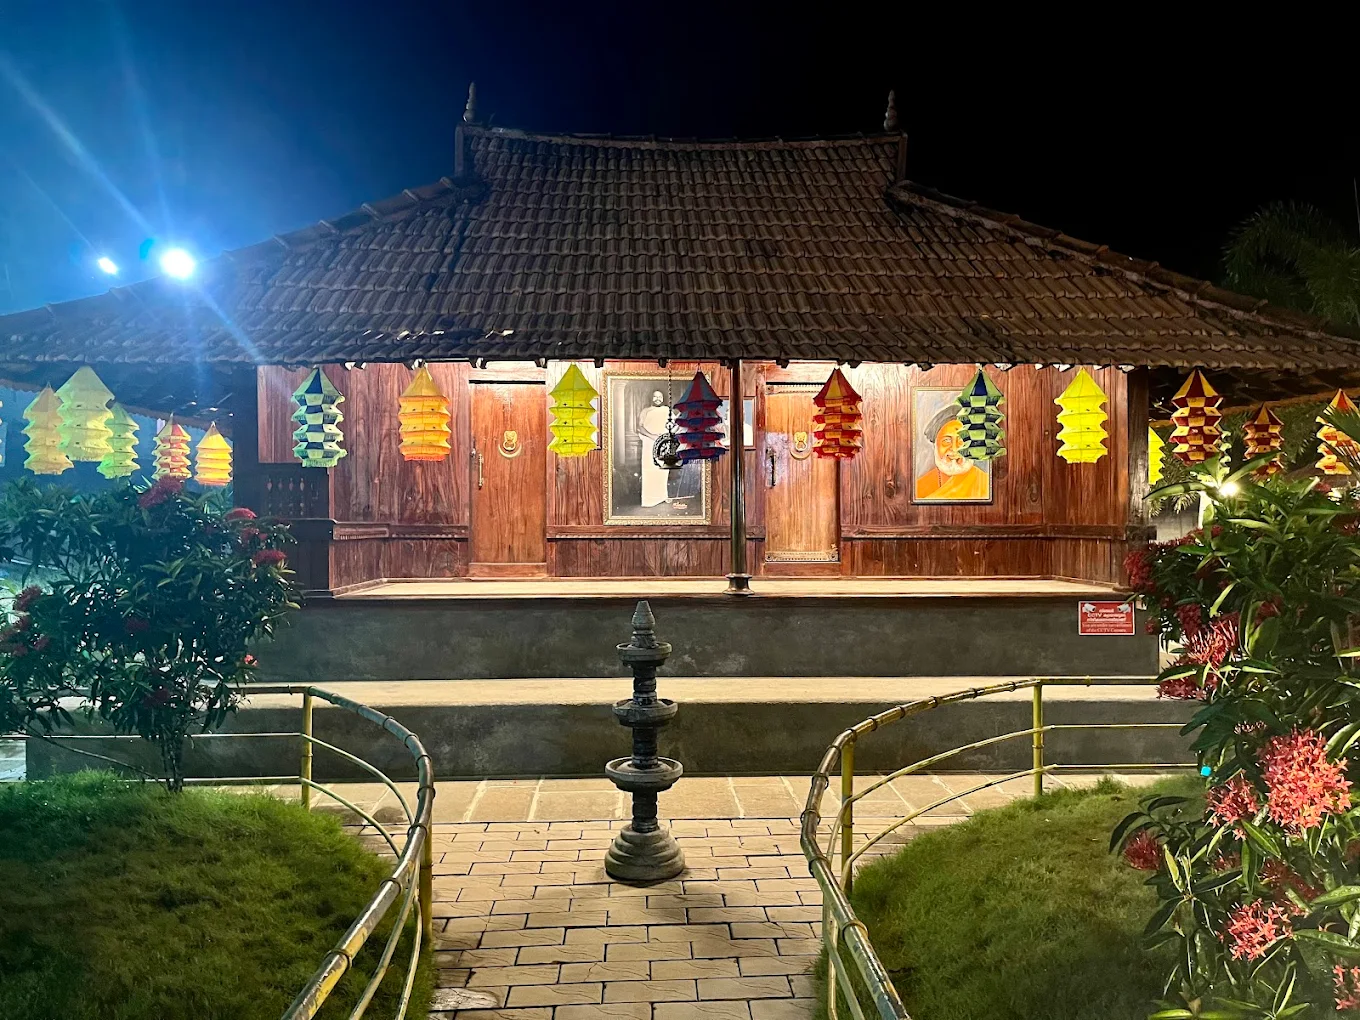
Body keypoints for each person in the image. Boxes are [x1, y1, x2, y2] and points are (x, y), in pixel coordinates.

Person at [915, 403, 989, 501]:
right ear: (935, 445)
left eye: (962, 440)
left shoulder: (985, 484)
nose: (954, 448)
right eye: (946, 441)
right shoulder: (919, 487)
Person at [637, 390, 672, 508]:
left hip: (663, 444)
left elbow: (675, 425)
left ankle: (662, 496)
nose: (658, 399)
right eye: (655, 396)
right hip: (649, 444)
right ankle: (649, 499)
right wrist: (652, 436)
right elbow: (640, 428)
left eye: (660, 397)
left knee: (662, 470)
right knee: (649, 470)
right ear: (651, 398)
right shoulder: (645, 411)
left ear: (663, 398)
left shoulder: (667, 410)